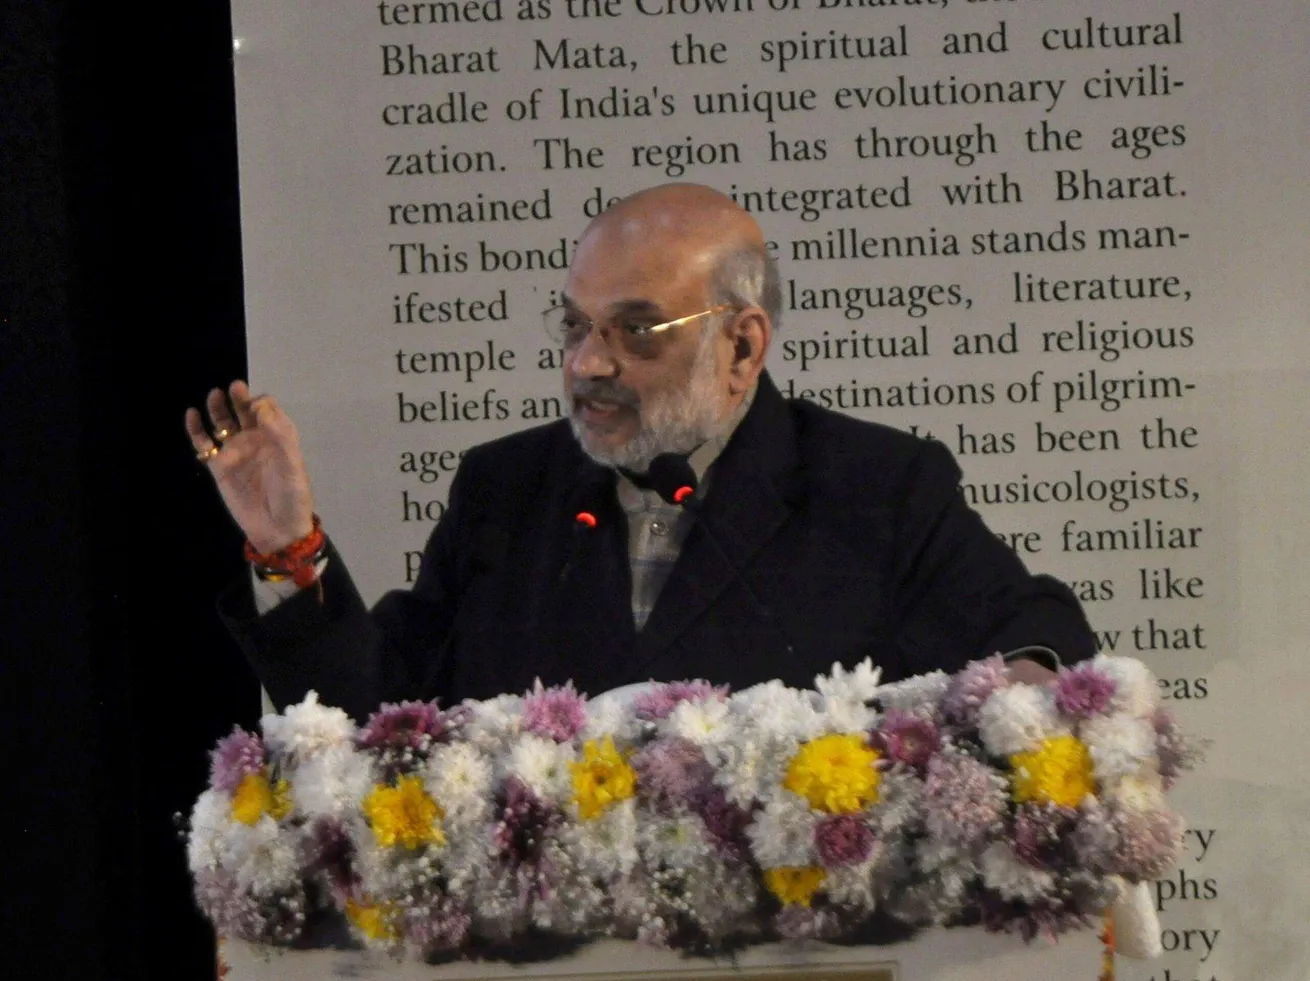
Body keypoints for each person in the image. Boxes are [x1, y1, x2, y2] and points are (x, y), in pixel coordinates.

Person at [187, 184, 1094, 721]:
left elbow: (1035, 626)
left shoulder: (878, 486)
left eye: (636, 329)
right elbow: (383, 711)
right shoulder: (506, 489)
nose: (589, 363)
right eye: (576, 325)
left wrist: (1027, 682)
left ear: (742, 346)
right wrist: (286, 544)